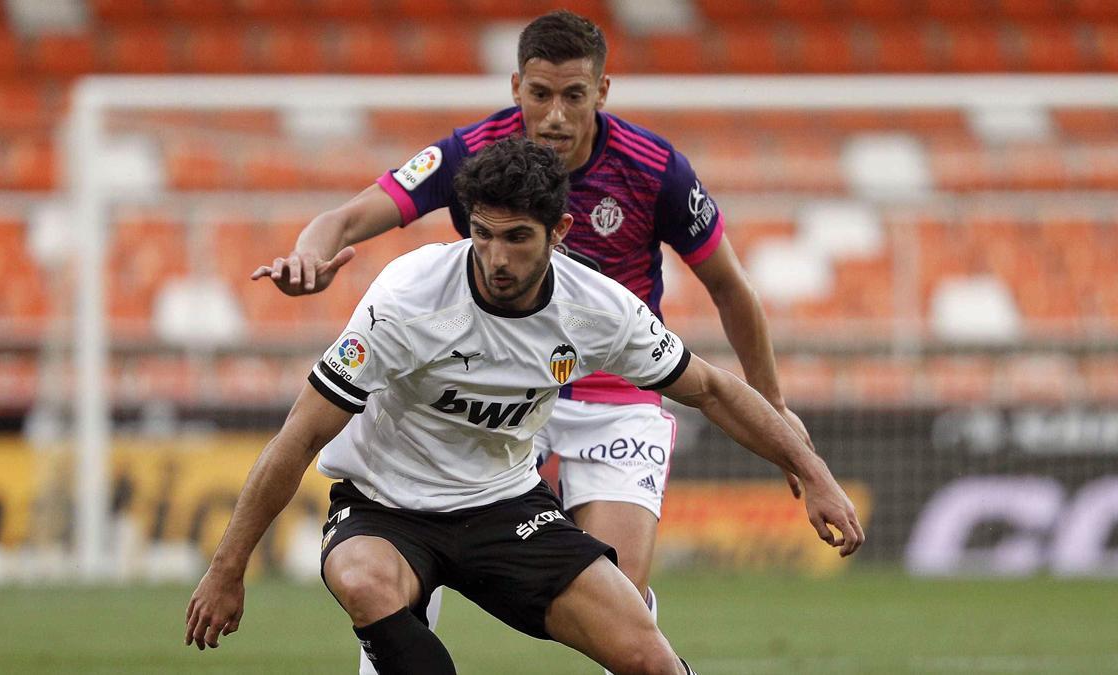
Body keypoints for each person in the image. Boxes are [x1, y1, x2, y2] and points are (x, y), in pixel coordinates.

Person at [253, 10, 821, 673]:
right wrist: (307, 256)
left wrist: (774, 405)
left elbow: (730, 288)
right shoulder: (473, 153)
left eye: (573, 96)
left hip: (612, 384)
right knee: (406, 546)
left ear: (600, 93)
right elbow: (346, 218)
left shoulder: (655, 169)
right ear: (517, 86)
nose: (554, 115)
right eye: (540, 95)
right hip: (501, 384)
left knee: (620, 594)